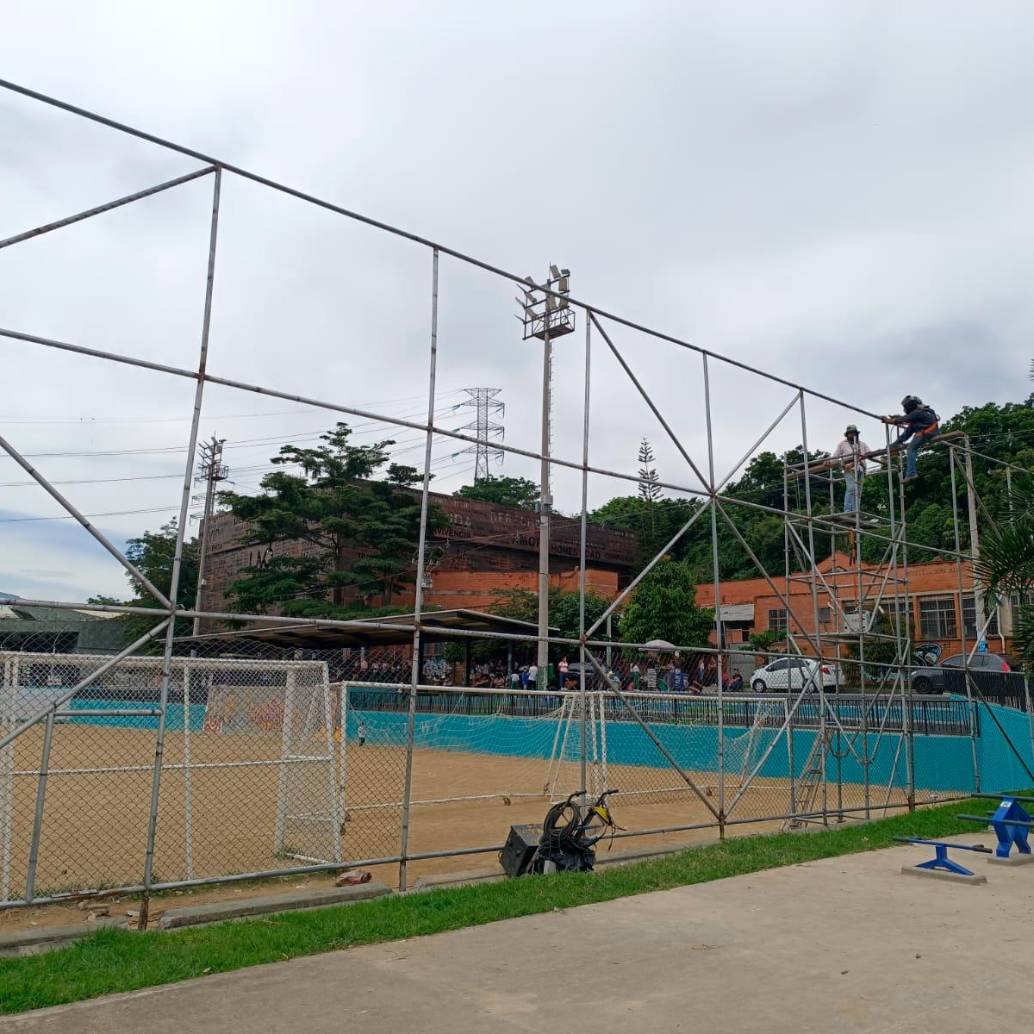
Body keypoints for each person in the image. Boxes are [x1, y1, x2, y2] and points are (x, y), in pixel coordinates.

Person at [885, 396, 939, 482]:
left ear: (910, 406)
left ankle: (911, 473)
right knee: (911, 425)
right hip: (927, 430)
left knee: (911, 448)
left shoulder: (918, 412)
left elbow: (905, 419)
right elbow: (908, 418)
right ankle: (899, 441)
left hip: (927, 432)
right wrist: (896, 418)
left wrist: (889, 421)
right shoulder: (923, 410)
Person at [833, 424, 871, 513]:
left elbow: (870, 454)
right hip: (849, 469)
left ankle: (856, 510)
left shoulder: (862, 444)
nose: (852, 435)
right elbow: (835, 456)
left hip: (860, 470)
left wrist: (882, 461)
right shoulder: (842, 444)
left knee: (858, 492)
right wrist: (829, 462)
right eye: (850, 433)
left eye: (854, 433)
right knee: (851, 488)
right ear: (847, 435)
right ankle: (848, 511)